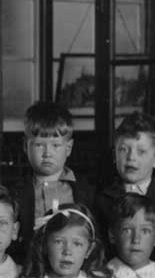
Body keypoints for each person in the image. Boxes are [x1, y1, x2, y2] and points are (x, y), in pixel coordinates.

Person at [94, 113, 155, 278]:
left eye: (141, 152)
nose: (131, 157)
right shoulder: (102, 201)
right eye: (123, 149)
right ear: (114, 155)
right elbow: (96, 253)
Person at [6, 101, 95, 237]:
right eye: (39, 145)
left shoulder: (86, 191)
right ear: (25, 146)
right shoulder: (15, 194)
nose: (47, 153)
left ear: (68, 148)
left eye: (56, 145)